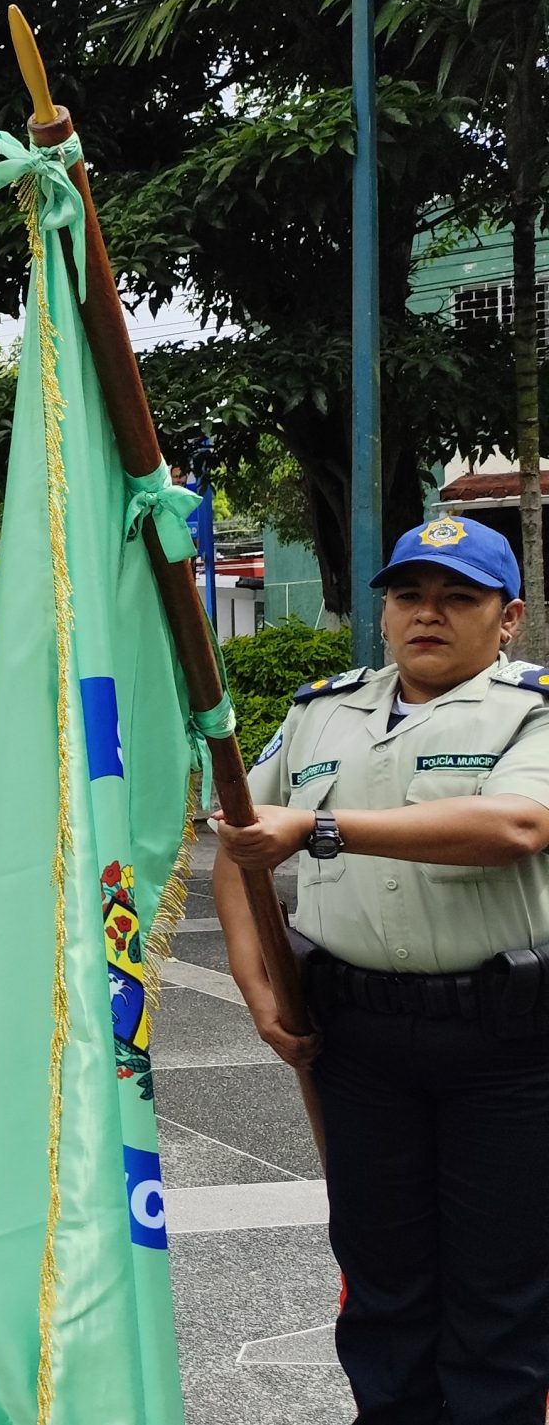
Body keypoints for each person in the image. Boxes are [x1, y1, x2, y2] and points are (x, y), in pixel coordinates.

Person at [215, 515, 549, 1425]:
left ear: (508, 615)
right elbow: (241, 850)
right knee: (382, 1287)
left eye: (458, 597)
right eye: (409, 594)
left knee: (500, 1297)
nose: (427, 614)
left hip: (509, 1045)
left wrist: (320, 828)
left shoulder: (533, 707)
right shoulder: (325, 709)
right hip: (357, 1037)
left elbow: (516, 826)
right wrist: (255, 985)